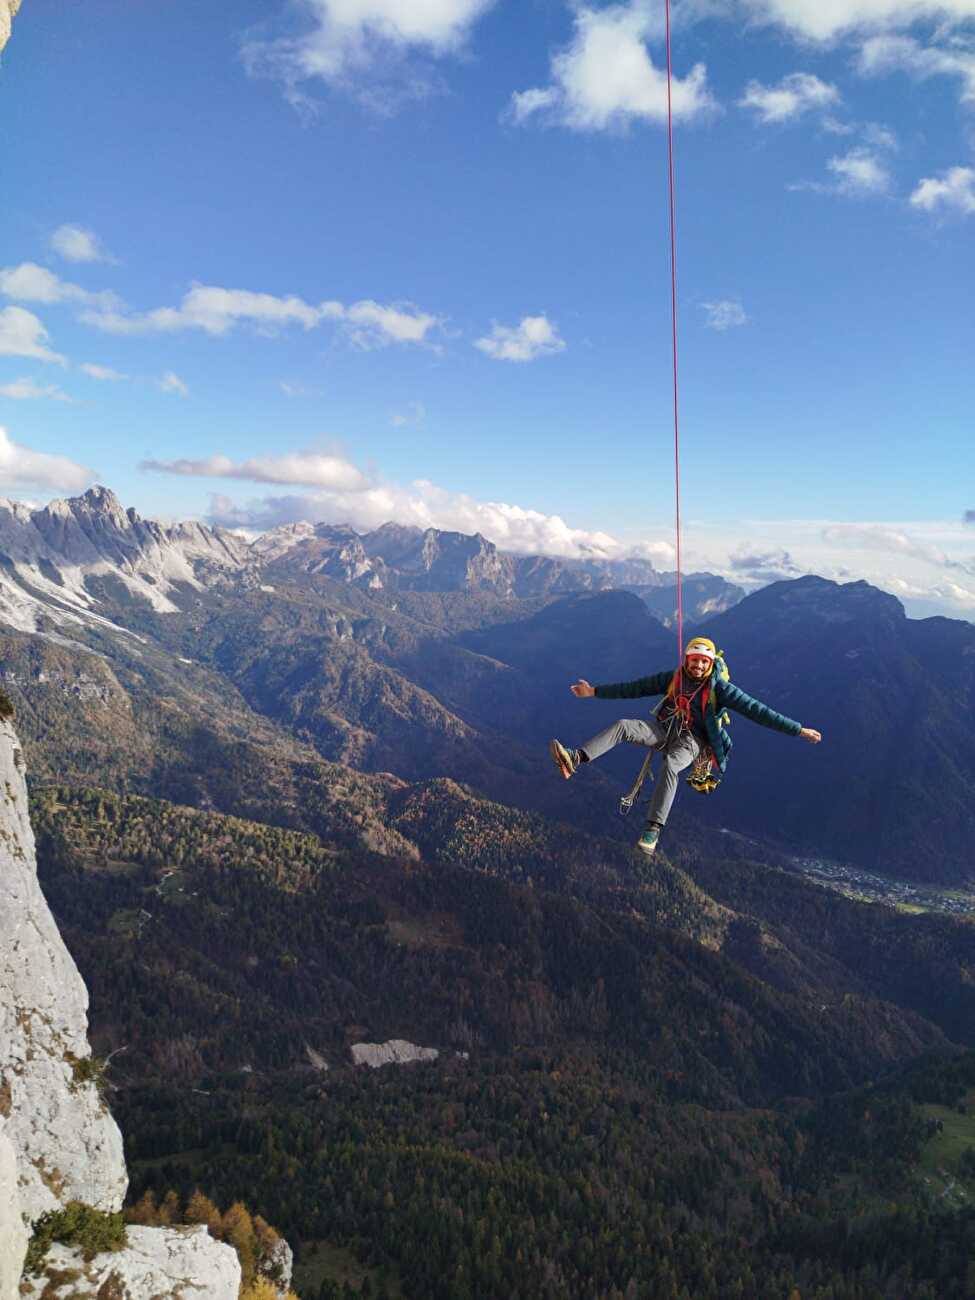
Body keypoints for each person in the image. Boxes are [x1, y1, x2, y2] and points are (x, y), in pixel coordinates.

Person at [549, 636, 822, 856]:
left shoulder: (721, 690)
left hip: (693, 741)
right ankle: (575, 759)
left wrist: (798, 730)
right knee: (623, 725)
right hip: (664, 729)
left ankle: (652, 830)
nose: (699, 667)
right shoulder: (674, 679)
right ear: (687, 660)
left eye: (704, 662)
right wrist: (593, 691)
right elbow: (634, 688)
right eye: (695, 661)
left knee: (670, 765)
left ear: (711, 663)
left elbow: (758, 710)